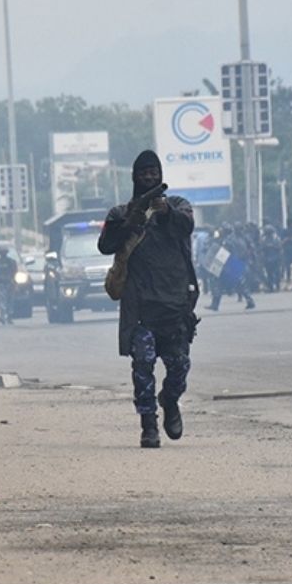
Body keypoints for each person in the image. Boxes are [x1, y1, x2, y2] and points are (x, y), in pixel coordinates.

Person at [98, 150, 199, 449]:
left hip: (175, 304)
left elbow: (186, 226)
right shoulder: (120, 213)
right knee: (142, 366)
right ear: (134, 177)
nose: (150, 177)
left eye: (154, 172)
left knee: (179, 366)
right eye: (144, 173)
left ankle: (170, 400)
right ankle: (148, 425)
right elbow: (105, 245)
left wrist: (165, 211)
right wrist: (132, 219)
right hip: (140, 307)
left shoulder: (178, 206)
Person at [0, 246, 17, 325]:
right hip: (1, 284)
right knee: (3, 300)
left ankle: (9, 317)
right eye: (2, 252)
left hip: (9, 283)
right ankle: (3, 317)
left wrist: (11, 279)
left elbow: (15, 271)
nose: (3, 254)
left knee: (9, 300)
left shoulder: (11, 262)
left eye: (4, 252)